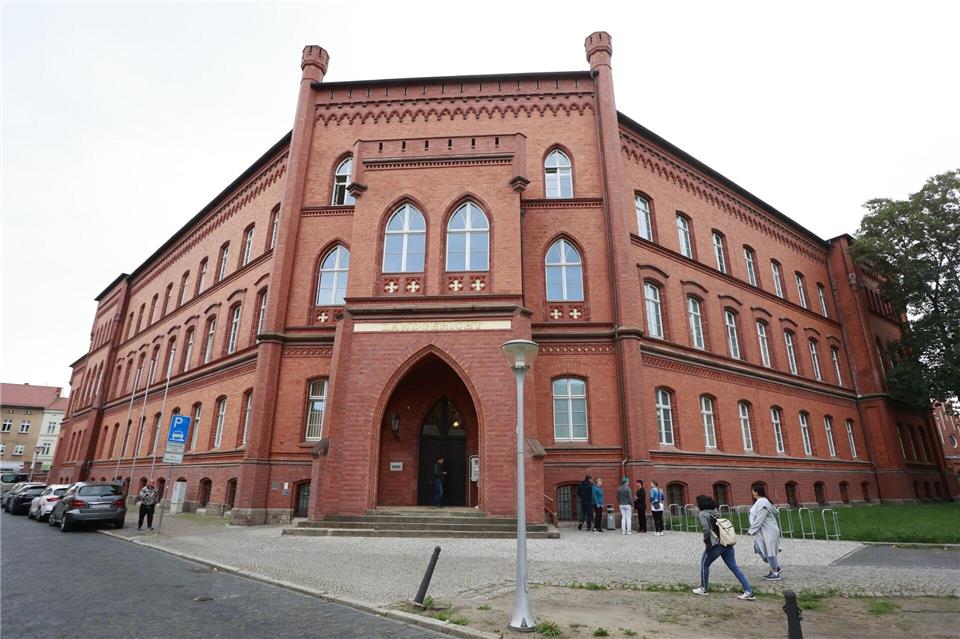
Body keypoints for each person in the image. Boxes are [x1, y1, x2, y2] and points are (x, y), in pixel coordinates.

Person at [693, 495, 754, 600]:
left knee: (704, 564)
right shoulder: (715, 511)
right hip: (726, 542)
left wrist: (707, 543)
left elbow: (706, 530)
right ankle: (748, 590)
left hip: (716, 544)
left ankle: (703, 588)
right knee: (734, 567)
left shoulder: (703, 514)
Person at [748, 484, 783, 580]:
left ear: (756, 492)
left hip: (769, 531)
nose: (752, 493)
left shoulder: (762, 502)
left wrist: (751, 530)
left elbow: (760, 518)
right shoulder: (762, 501)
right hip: (766, 530)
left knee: (769, 550)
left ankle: (775, 573)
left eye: (753, 491)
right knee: (760, 547)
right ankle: (777, 567)